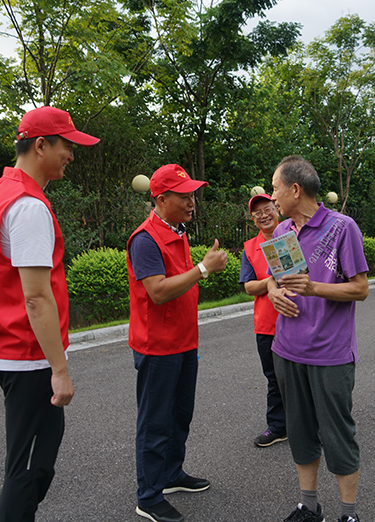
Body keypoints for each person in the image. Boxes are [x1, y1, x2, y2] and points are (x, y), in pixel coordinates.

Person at [0, 106, 99, 522]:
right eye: (67, 146)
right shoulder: (28, 206)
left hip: (8, 346)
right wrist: (60, 370)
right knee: (28, 469)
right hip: (29, 355)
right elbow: (37, 297)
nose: (71, 155)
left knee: (32, 458)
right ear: (40, 145)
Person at [265, 155, 369, 522]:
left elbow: (360, 289)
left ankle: (348, 515)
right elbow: (274, 278)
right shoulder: (282, 230)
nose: (271, 196)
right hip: (287, 350)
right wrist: (272, 292)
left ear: (295, 189)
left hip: (330, 354)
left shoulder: (342, 228)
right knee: (299, 432)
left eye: (275, 188)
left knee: (338, 434)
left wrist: (314, 288)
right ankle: (309, 507)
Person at [127, 164, 228, 522]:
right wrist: (203, 269)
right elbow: (157, 292)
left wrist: (200, 270)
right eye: (183, 196)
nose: (191, 202)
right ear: (160, 199)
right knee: (155, 422)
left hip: (184, 341)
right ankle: (149, 496)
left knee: (180, 415)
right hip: (157, 346)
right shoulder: (145, 239)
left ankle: (170, 474)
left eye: (192, 195)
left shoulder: (177, 231)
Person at [239, 193, 288, 448]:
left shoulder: (293, 237)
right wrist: (270, 281)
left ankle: (314, 425)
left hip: (297, 319)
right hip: (267, 325)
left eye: (267, 209)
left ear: (277, 210)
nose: (263, 216)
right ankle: (278, 427)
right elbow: (248, 287)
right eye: (257, 213)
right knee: (274, 378)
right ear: (252, 219)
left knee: (304, 376)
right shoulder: (250, 248)